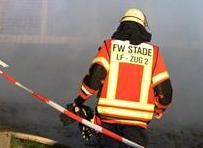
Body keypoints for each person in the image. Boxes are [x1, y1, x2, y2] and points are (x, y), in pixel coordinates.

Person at [62, 8, 172, 147]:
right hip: (137, 121)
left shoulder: (109, 47)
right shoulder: (153, 54)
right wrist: (159, 109)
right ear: (143, 28)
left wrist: (79, 101)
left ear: (121, 26)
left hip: (108, 117)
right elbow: (165, 91)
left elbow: (94, 78)